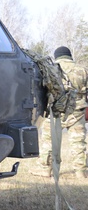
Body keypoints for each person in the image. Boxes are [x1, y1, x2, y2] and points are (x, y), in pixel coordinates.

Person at [37, 46, 88, 179]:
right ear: (69, 55)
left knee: (48, 141)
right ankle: (80, 172)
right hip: (77, 112)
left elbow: (42, 90)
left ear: (57, 56)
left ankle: (45, 169)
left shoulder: (51, 69)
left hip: (55, 111)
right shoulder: (83, 70)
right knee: (78, 142)